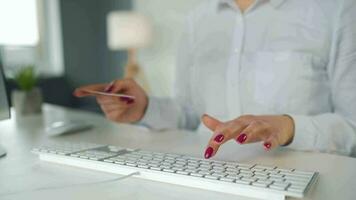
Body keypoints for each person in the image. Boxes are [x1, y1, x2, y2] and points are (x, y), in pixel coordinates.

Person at [74, 0, 356, 158]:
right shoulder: (198, 19)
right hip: (204, 175)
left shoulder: (338, 11)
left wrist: (288, 127)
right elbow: (189, 113)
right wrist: (144, 108)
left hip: (301, 182)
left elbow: (351, 125)